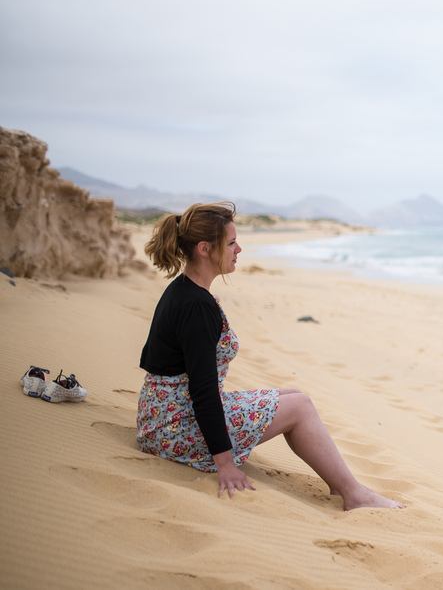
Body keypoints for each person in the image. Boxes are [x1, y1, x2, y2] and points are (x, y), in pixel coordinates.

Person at [136, 201, 403, 510]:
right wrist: (225, 464)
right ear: (205, 249)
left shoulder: (184, 290)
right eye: (232, 243)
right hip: (173, 429)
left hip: (159, 416)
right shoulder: (197, 306)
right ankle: (353, 494)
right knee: (299, 407)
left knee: (293, 394)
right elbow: (203, 392)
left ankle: (340, 484)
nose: (240, 249)